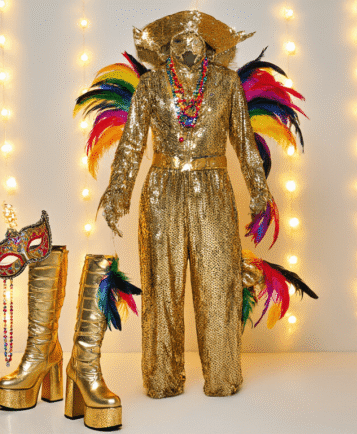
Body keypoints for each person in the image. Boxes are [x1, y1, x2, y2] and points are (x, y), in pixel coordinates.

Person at [97, 10, 272, 398]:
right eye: (176, 39)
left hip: (213, 189)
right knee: (162, 285)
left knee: (219, 284)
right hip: (162, 192)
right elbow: (131, 145)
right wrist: (117, 193)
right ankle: (162, 378)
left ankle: (223, 375)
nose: (186, 45)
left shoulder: (226, 84)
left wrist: (259, 190)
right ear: (165, 46)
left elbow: (244, 142)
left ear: (208, 45)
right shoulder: (151, 85)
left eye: (194, 38)